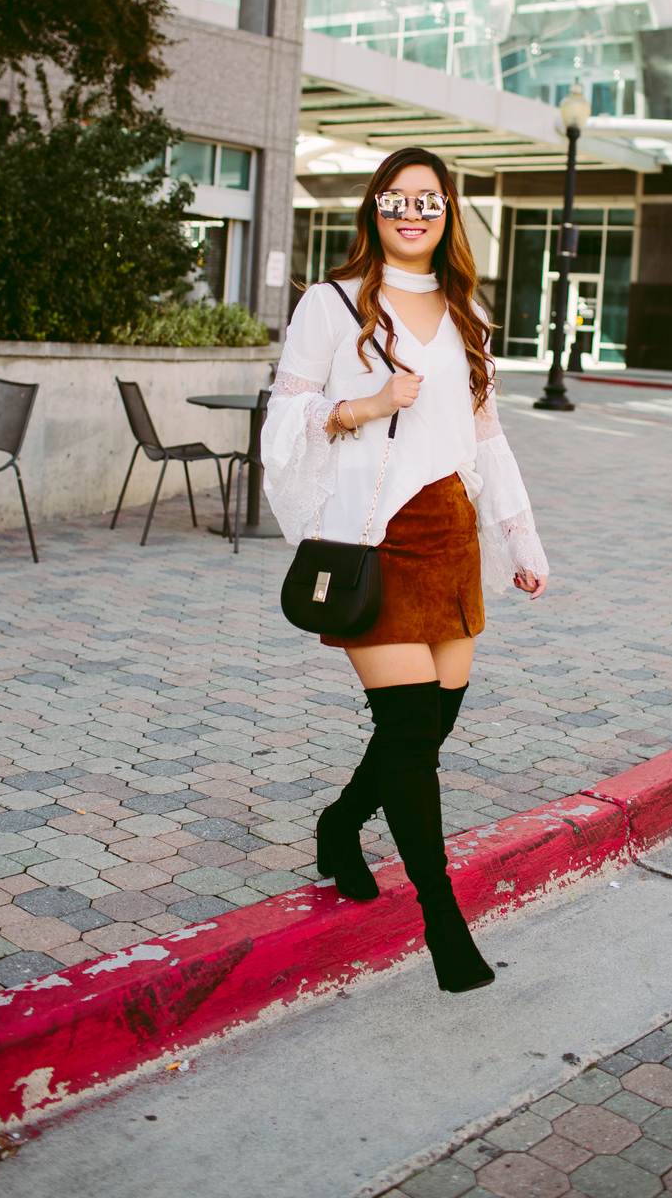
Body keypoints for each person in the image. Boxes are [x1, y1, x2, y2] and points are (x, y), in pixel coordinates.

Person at [261, 147, 548, 995]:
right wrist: (363, 406)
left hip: (450, 535)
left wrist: (520, 539)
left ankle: (341, 822)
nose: (410, 212)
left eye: (427, 200)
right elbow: (282, 421)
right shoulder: (332, 303)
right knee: (412, 743)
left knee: (422, 729)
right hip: (369, 541)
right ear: (373, 210)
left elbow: (486, 436)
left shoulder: (467, 314)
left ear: (448, 212)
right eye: (395, 198)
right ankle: (443, 921)